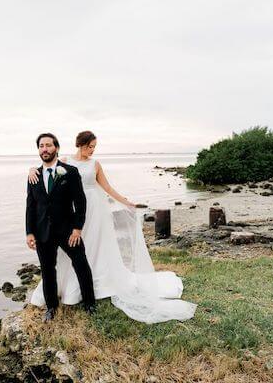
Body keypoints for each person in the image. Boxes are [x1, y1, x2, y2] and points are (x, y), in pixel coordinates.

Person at [27, 131, 196, 323]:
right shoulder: (65, 163)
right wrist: (32, 169)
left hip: (91, 211)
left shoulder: (94, 165)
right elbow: (45, 173)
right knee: (61, 260)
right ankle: (62, 293)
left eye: (94, 147)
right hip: (67, 216)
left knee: (89, 252)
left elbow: (107, 188)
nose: (92, 150)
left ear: (55, 147)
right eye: (90, 146)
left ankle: (90, 296)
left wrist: (125, 202)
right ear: (81, 145)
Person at [25, 133, 96, 322]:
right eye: (41, 146)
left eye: (48, 145)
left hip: (67, 230)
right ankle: (51, 308)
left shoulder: (70, 172)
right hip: (42, 232)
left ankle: (90, 303)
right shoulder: (34, 176)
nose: (45, 149)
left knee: (81, 264)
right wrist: (29, 232)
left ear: (56, 148)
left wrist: (77, 229)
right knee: (48, 270)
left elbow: (80, 202)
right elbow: (30, 206)